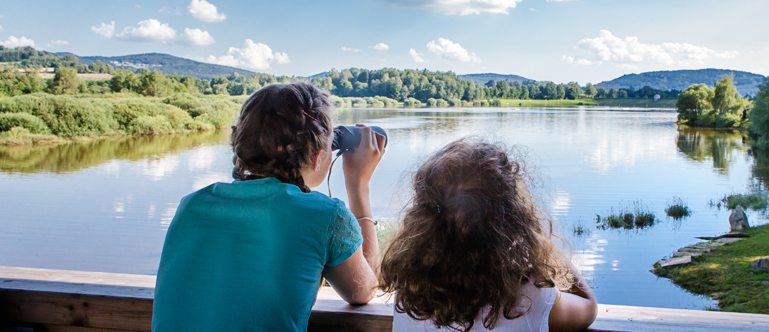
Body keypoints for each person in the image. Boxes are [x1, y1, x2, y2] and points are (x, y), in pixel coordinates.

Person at [152, 83, 385, 331]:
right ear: (317, 156)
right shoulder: (325, 216)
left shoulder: (191, 204)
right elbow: (365, 290)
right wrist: (358, 186)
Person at [379, 139, 598, 332]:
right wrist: (537, 233)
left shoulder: (409, 290)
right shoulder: (529, 299)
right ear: (512, 221)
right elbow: (587, 306)